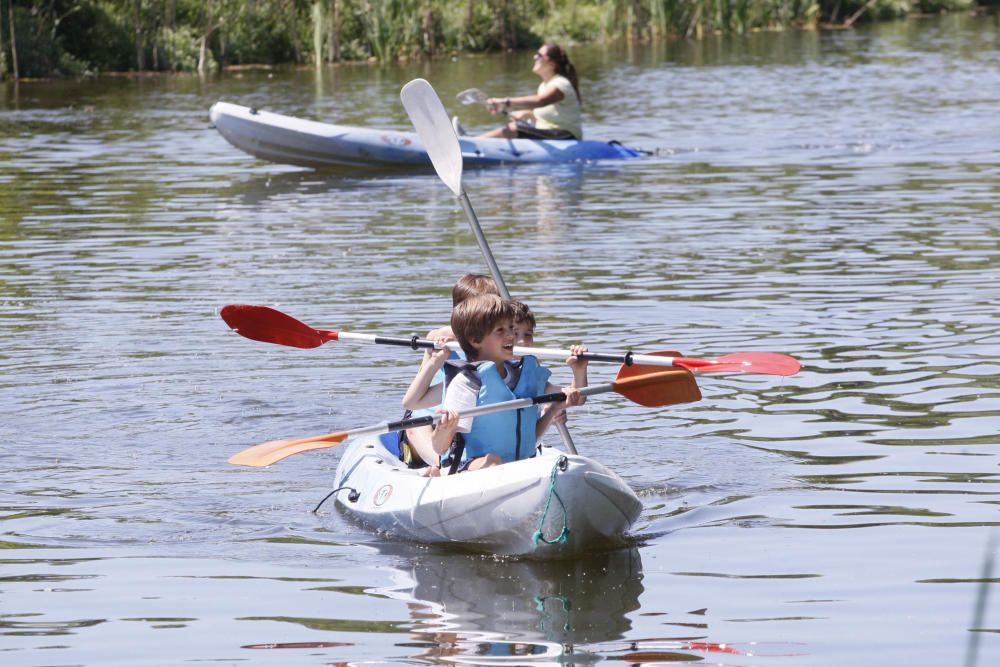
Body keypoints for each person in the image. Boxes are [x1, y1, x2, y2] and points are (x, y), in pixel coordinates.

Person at [405, 294, 587, 474]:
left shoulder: (523, 377)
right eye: (501, 331)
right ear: (475, 340)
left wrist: (578, 371)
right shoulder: (467, 382)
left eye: (510, 328)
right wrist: (445, 428)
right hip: (469, 469)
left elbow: (577, 397)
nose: (511, 336)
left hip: (518, 466)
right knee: (493, 462)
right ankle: (437, 476)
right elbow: (439, 448)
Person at [397, 274, 500, 469]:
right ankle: (444, 465)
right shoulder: (440, 336)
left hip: (469, 413)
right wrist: (441, 352)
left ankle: (467, 462)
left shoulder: (500, 340)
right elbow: (414, 400)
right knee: (416, 426)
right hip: (431, 414)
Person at [480, 43, 583, 141]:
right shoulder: (543, 86)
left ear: (551, 64)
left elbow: (541, 101)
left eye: (539, 55)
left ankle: (475, 143)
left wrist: (505, 101)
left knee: (515, 128)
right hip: (552, 133)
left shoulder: (561, 83)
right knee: (518, 126)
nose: (535, 57)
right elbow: (549, 118)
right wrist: (527, 114)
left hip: (566, 136)